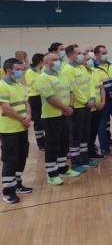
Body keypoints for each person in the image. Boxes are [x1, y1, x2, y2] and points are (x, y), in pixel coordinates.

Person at [33, 53, 80, 186]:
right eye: (54, 60)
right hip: (51, 116)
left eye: (58, 59)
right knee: (52, 146)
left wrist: (70, 106)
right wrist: (65, 108)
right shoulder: (43, 78)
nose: (58, 61)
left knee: (64, 143)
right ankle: (52, 174)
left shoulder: (62, 75)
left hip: (64, 114)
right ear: (46, 62)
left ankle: (62, 168)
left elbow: (71, 91)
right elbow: (50, 98)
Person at [0, 58, 33, 203]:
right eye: (18, 69)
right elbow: (6, 109)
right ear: (9, 70)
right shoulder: (1, 86)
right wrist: (22, 119)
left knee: (22, 155)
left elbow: (26, 103)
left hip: (22, 127)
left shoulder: (19, 85)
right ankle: (8, 191)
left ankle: (17, 183)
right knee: (10, 159)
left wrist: (29, 117)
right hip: (9, 129)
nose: (21, 71)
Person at [62, 44, 97, 172]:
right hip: (77, 107)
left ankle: (84, 158)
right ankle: (75, 162)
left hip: (88, 105)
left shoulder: (82, 67)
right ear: (71, 55)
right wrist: (85, 101)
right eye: (79, 53)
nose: (82, 55)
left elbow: (90, 83)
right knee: (75, 136)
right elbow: (74, 90)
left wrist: (93, 98)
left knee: (85, 134)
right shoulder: (67, 70)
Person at [83, 53, 105, 159]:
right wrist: (95, 104)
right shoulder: (82, 74)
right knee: (87, 132)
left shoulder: (96, 72)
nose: (90, 61)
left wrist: (103, 101)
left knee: (94, 131)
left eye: (91, 59)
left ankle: (92, 151)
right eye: (87, 59)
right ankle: (86, 153)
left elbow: (101, 88)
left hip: (99, 107)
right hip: (89, 107)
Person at [25, 53, 45, 151]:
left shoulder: (42, 70)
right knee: (37, 121)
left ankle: (45, 140)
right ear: (41, 61)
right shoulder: (29, 72)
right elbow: (36, 85)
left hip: (43, 97)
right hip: (35, 97)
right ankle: (40, 143)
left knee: (43, 119)